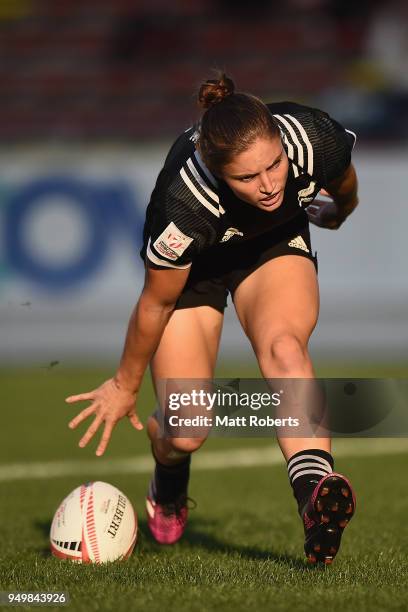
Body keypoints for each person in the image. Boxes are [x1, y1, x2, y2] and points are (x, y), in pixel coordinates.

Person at [66, 73, 358, 565]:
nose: (269, 185)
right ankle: (169, 478)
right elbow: (156, 303)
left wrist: (340, 211)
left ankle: (313, 499)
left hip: (272, 245)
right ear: (218, 170)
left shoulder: (313, 136)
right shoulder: (183, 205)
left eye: (274, 166)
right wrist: (123, 382)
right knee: (186, 430)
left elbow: (343, 180)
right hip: (195, 270)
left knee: (285, 347)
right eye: (247, 178)